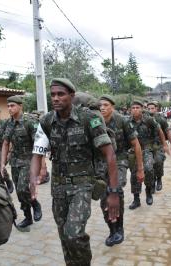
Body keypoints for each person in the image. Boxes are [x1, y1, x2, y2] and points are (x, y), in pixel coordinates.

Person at [29, 78, 120, 266]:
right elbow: (37, 153)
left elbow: (110, 155)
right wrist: (33, 180)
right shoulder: (46, 121)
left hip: (83, 185)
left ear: (71, 96)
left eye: (60, 94)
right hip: (58, 187)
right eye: (53, 94)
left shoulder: (89, 119)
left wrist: (113, 192)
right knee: (64, 237)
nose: (55, 98)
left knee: (74, 234)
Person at [98, 95, 144, 246]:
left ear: (112, 106)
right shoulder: (95, 121)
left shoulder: (122, 121)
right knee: (103, 197)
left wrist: (140, 168)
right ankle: (112, 228)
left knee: (115, 189)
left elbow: (136, 144)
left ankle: (120, 229)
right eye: (100, 105)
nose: (102, 108)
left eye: (106, 105)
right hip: (101, 162)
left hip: (119, 159)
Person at [0, 96, 42, 230]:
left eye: (12, 106)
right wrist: (2, 164)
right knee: (19, 192)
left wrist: (41, 166)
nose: (9, 108)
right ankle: (28, 217)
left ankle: (35, 203)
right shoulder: (8, 123)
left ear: (20, 106)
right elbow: (6, 143)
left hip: (29, 160)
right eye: (8, 106)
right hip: (15, 162)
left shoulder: (30, 122)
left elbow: (38, 143)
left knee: (23, 188)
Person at [129, 100, 168, 207]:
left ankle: (148, 191)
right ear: (130, 110)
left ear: (142, 109)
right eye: (133, 108)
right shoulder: (127, 121)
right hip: (133, 151)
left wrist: (164, 144)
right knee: (134, 174)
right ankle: (136, 199)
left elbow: (160, 130)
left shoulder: (149, 120)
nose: (135, 110)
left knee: (149, 169)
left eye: (138, 107)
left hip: (147, 149)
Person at [147, 101, 171, 192]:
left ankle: (159, 179)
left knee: (158, 162)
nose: (150, 110)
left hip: (159, 145)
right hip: (147, 146)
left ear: (156, 109)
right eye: (149, 108)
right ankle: (151, 183)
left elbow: (168, 132)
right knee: (149, 166)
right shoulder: (144, 118)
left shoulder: (161, 119)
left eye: (152, 108)